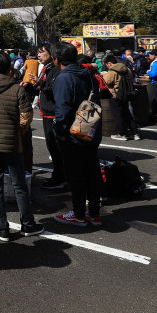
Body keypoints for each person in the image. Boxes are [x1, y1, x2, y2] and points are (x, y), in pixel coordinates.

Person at [0, 53, 43, 240]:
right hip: (12, 143)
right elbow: (26, 116)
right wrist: (18, 131)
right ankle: (27, 224)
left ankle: (2, 227)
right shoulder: (17, 89)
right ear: (10, 68)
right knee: (19, 184)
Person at [50, 41, 101, 227]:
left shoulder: (64, 78)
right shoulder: (88, 74)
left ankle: (79, 214)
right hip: (91, 129)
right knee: (92, 173)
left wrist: (60, 133)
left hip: (73, 133)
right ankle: (94, 213)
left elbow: (62, 109)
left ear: (57, 60)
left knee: (76, 175)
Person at [29, 43, 65, 190]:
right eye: (38, 52)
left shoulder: (56, 69)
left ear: (51, 54)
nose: (38, 55)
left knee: (56, 148)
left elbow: (53, 89)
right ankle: (58, 176)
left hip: (53, 113)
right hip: (46, 111)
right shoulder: (46, 68)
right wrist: (30, 86)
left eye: (42, 52)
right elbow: (43, 88)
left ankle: (60, 178)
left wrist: (40, 83)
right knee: (52, 147)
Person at [102, 55, 138, 141]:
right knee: (127, 114)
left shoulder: (112, 71)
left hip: (116, 95)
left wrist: (104, 74)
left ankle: (121, 134)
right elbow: (131, 77)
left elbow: (106, 81)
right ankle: (134, 133)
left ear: (109, 63)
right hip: (126, 94)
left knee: (118, 115)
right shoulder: (126, 68)